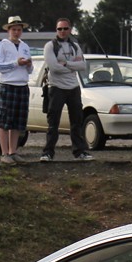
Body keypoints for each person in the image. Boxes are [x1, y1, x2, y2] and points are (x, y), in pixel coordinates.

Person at [41, 18, 90, 162]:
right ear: (56, 30)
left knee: (77, 121)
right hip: (57, 88)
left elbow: (83, 66)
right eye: (59, 29)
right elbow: (54, 67)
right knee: (53, 122)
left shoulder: (75, 46)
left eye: (65, 28)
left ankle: (79, 151)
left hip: (74, 87)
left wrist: (66, 63)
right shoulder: (50, 46)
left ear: (70, 29)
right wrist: (71, 65)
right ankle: (48, 152)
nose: (62, 31)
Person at [0, 15, 32, 164]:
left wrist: (28, 65)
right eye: (14, 29)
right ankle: (4, 153)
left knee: (17, 121)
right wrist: (16, 63)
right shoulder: (2, 46)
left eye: (19, 29)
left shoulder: (25, 46)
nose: (16, 32)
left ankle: (13, 151)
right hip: (8, 85)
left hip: (22, 85)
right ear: (9, 30)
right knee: (5, 120)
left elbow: (30, 70)